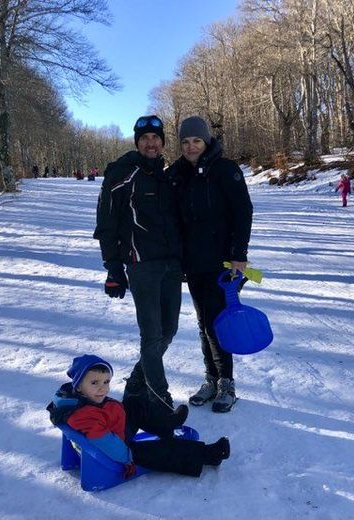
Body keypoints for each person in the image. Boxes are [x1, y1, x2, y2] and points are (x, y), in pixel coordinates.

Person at [93, 115, 183, 411]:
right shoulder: (121, 173)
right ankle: (159, 396)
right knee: (152, 333)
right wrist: (113, 268)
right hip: (141, 265)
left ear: (162, 142)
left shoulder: (168, 175)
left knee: (168, 331)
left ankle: (135, 382)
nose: (151, 143)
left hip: (171, 265)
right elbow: (106, 224)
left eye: (156, 138)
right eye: (144, 138)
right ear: (137, 142)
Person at [170, 116, 253, 413]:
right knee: (204, 322)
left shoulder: (225, 169)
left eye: (196, 141)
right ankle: (211, 379)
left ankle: (226, 383)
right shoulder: (178, 173)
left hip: (222, 263)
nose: (191, 147)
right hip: (193, 263)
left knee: (219, 321)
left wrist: (238, 255)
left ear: (206, 141)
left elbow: (243, 211)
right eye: (185, 142)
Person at [47, 355, 230, 478]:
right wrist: (128, 457)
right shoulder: (84, 415)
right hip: (118, 450)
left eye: (106, 382)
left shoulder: (74, 399)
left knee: (135, 404)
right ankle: (210, 455)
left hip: (113, 429)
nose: (102, 387)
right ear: (78, 385)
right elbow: (105, 442)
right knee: (164, 451)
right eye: (94, 382)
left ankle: (168, 422)